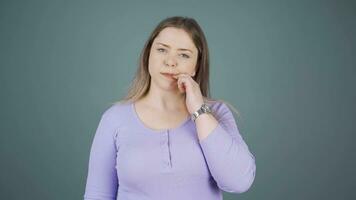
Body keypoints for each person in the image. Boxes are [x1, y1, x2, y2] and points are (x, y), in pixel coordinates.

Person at [83, 16, 256, 200]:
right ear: (148, 54)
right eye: (162, 50)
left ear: (196, 66)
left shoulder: (216, 113)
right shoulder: (114, 119)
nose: (170, 62)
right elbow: (97, 195)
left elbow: (239, 181)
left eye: (184, 54)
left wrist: (199, 110)